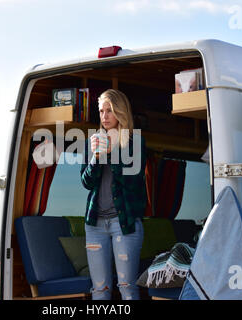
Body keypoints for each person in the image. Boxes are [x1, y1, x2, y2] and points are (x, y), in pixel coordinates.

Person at [80, 89, 147, 300]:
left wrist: (112, 153)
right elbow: (86, 182)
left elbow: (133, 181)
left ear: (120, 111)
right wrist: (96, 157)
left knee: (127, 286)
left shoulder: (134, 142)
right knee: (99, 289)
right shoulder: (93, 142)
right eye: (101, 111)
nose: (104, 116)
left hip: (124, 224)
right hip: (94, 226)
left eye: (109, 111)